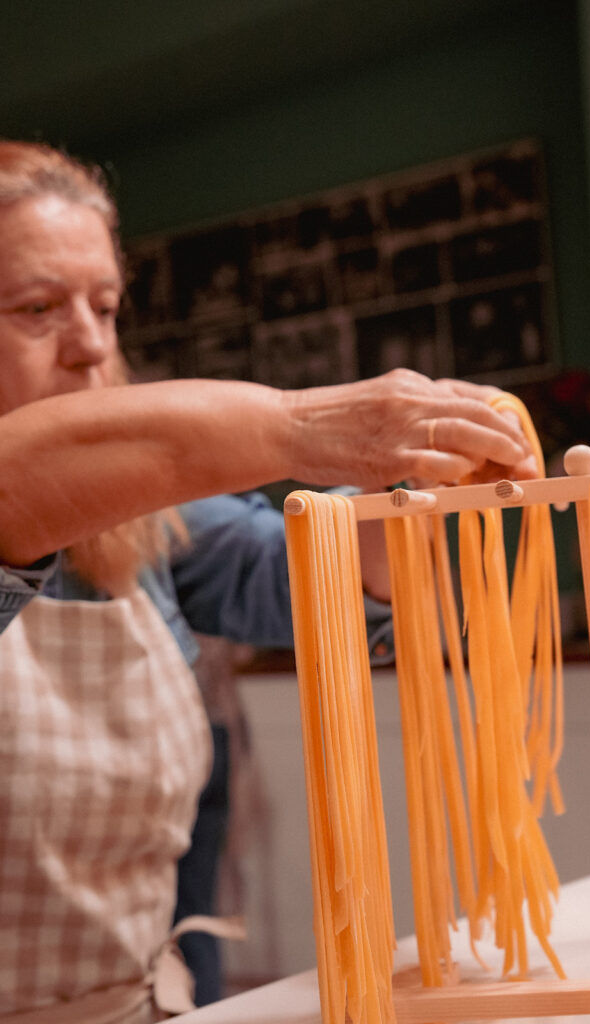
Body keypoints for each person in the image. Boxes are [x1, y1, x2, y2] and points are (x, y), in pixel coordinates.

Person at [0, 139, 536, 1024]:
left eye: (106, 305)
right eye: (36, 308)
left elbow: (301, 575)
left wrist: (394, 491)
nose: (91, 346)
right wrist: (305, 427)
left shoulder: (153, 524)